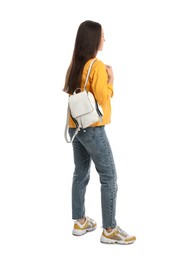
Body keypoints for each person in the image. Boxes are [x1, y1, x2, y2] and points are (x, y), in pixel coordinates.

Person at [63, 20, 136, 245]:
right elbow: (103, 98)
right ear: (94, 38)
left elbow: (69, 90)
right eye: (103, 35)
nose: (105, 38)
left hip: (75, 127)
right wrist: (111, 80)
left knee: (81, 173)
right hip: (93, 128)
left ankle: (80, 221)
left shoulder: (75, 63)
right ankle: (110, 229)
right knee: (109, 176)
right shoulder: (96, 65)